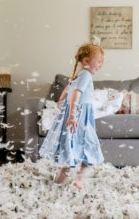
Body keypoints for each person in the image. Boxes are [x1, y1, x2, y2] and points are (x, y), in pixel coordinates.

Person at [39, 43, 105, 189]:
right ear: (87, 61)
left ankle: (61, 179)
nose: (101, 65)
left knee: (73, 144)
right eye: (99, 62)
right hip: (80, 115)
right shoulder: (86, 75)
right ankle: (78, 178)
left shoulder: (78, 75)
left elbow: (69, 88)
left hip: (78, 114)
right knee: (89, 145)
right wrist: (73, 115)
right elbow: (76, 93)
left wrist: (61, 100)